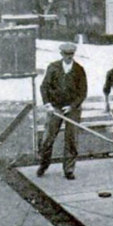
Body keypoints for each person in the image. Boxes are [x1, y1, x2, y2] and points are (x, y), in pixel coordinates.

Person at [37, 42, 87, 179]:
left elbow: (82, 92)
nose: (68, 57)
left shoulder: (79, 70)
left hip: (72, 109)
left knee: (71, 139)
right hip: (55, 108)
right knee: (48, 138)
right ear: (61, 54)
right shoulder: (53, 67)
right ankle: (43, 164)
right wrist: (48, 104)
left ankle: (69, 170)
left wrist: (72, 106)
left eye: (71, 54)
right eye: (66, 54)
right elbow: (44, 87)